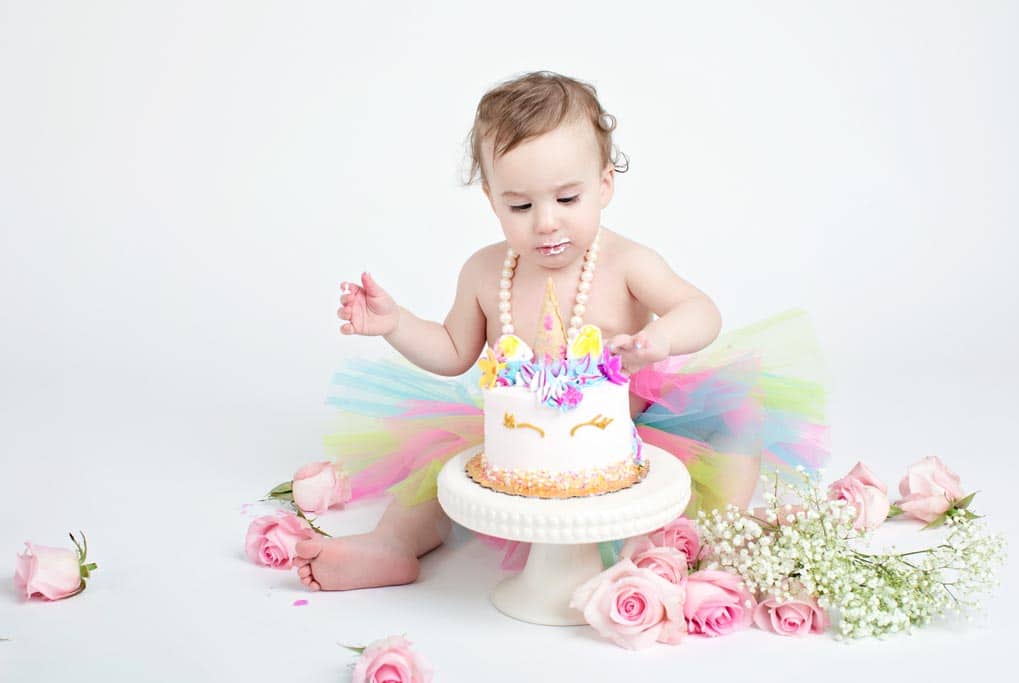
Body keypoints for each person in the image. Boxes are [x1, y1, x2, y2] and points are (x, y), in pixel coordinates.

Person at [294, 71, 829, 591]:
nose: (546, 222)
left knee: (737, 415)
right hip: (525, 443)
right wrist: (397, 324)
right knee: (438, 474)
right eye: (520, 205)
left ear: (604, 186)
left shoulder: (625, 262)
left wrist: (661, 339)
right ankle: (391, 545)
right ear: (491, 199)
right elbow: (454, 351)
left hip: (634, 431)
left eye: (567, 200)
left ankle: (718, 541)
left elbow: (701, 310)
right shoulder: (485, 271)